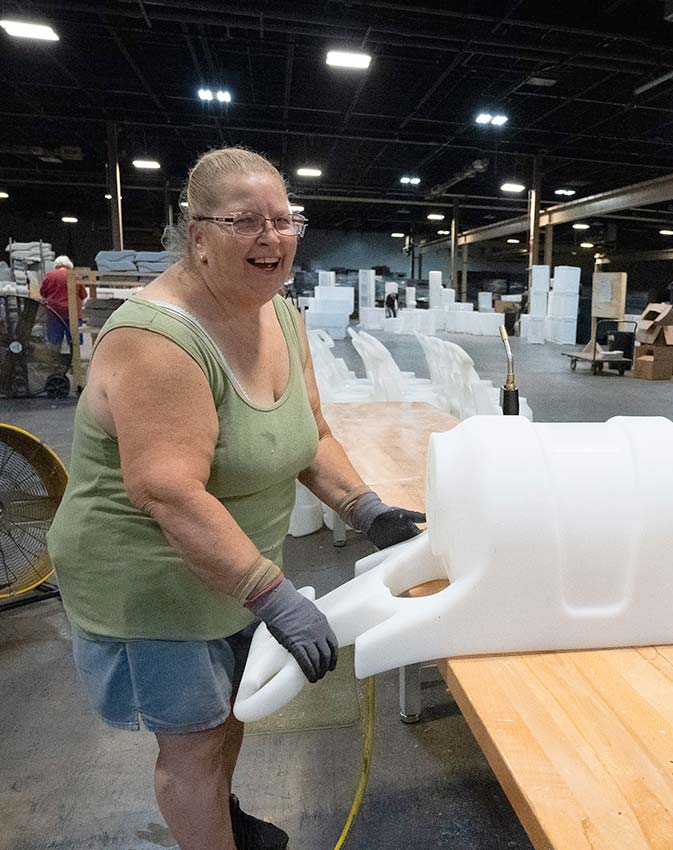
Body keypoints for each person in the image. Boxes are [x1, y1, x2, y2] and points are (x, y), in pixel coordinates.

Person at [47, 147, 426, 850]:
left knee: (230, 714)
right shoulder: (157, 340)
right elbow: (167, 492)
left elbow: (308, 433)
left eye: (285, 220)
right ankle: (207, 825)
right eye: (246, 221)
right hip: (151, 576)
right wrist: (274, 597)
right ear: (197, 235)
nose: (272, 238)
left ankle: (222, 820)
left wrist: (366, 509)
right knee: (191, 745)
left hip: (234, 566)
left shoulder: (278, 315)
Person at [38, 255, 86, 348]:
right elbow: (83, 295)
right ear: (69, 265)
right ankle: (74, 361)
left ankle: (56, 361)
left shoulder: (49, 276)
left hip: (54, 313)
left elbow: (43, 293)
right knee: (74, 343)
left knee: (54, 343)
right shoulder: (74, 276)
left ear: (56, 266)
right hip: (73, 314)